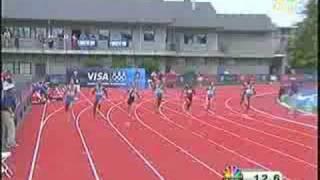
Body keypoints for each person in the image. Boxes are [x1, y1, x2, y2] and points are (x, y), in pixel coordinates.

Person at [1, 82, 17, 150]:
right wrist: (12, 113)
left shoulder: (6, 94)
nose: (14, 89)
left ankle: (5, 144)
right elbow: (8, 106)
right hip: (7, 112)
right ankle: (11, 143)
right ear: (10, 89)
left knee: (5, 129)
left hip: (4, 112)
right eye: (12, 88)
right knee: (11, 127)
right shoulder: (9, 95)